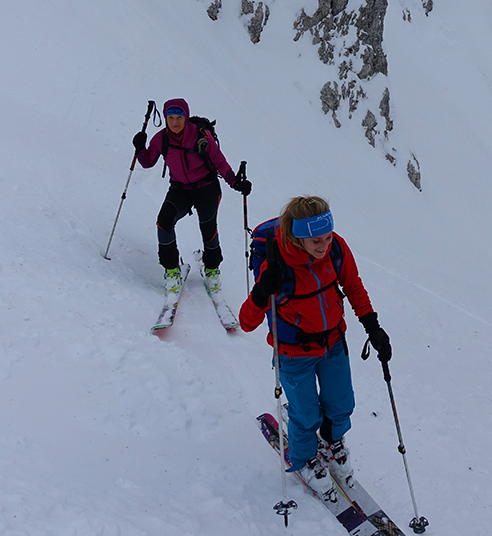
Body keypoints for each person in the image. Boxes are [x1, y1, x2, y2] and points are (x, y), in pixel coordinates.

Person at [239, 196, 391, 501]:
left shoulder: (335, 248)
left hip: (334, 343)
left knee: (341, 404)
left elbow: (353, 286)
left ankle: (333, 441)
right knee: (306, 414)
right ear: (297, 238)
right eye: (315, 240)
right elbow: (246, 322)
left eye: (327, 236)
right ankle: (304, 458)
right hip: (294, 354)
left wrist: (373, 326)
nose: (323, 245)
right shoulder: (275, 264)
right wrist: (260, 292)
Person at [133, 98, 252, 293]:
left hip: (207, 188)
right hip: (180, 189)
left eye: (179, 116)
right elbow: (147, 162)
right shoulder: (161, 139)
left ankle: (212, 269)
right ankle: (172, 270)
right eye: (170, 117)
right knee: (164, 222)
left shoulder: (201, 136)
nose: (175, 122)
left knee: (208, 227)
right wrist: (139, 149)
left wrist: (236, 183)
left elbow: (220, 162)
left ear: (186, 116)